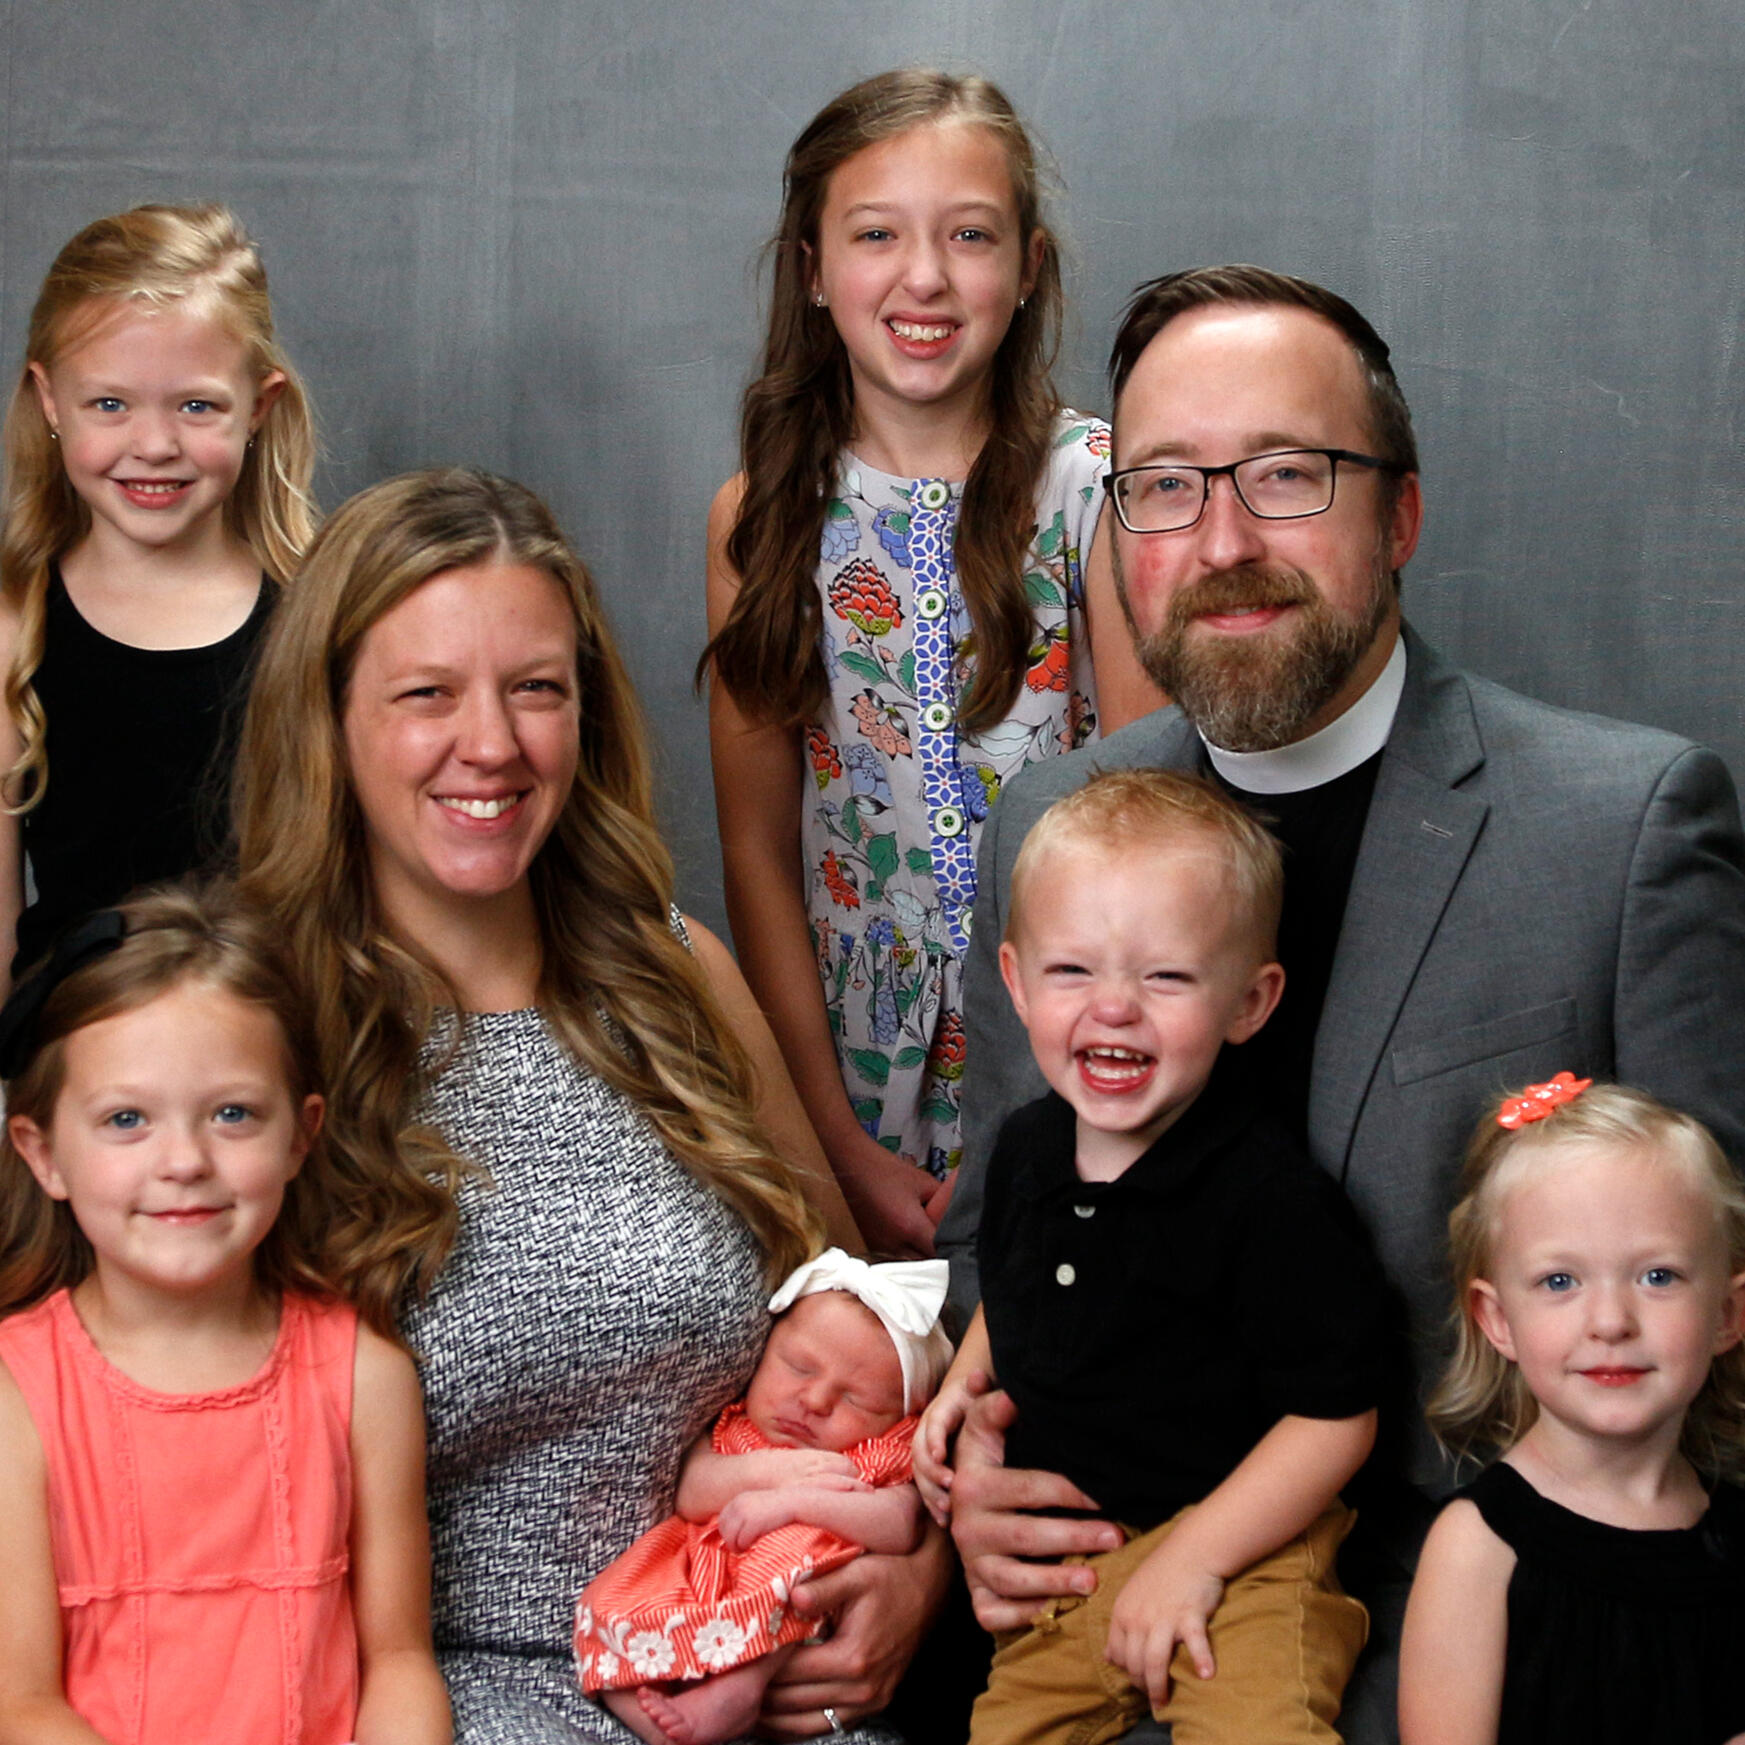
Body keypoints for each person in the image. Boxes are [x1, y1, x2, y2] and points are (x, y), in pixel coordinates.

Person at [935, 265, 1745, 1739]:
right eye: (1163, 487)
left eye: (1287, 476)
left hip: (1494, 1635)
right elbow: (1000, 1226)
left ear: (1401, 516)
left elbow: (1723, 1301)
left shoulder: (1621, 826)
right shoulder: (1052, 826)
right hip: (1098, 1608)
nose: (1222, 540)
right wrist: (988, 1473)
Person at [233, 466, 943, 1744]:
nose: (492, 743)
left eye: (535, 688)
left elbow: (870, 1321)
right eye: (426, 694)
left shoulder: (676, 973)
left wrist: (913, 1567)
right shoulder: (254, 1036)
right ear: (327, 718)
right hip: (456, 1702)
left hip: (776, 1683)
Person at [702, 67, 1156, 1258]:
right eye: (874, 235)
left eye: (968, 235)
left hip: (1074, 1046)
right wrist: (831, 1142)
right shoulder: (761, 520)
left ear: (1027, 269)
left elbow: (1155, 820)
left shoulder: (1096, 493)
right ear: (811, 268)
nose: (924, 277)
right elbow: (754, 848)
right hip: (848, 1066)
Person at [917, 772, 1384, 1743]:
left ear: (1248, 1001)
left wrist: (1197, 1558)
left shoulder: (1266, 1196)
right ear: (1012, 980)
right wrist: (963, 1387)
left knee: (1258, 1727)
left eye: (1165, 977)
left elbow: (1336, 1414)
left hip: (1247, 1551)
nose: (1115, 1007)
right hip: (1069, 1564)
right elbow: (1016, 1290)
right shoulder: (1024, 1151)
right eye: (1071, 971)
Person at [0, 886, 450, 1745]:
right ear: (44, 1153)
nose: (185, 1161)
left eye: (232, 1113)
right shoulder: (15, 1396)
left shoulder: (363, 1374)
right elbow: (19, 1703)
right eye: (126, 1119)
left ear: (300, 1134)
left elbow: (397, 1660)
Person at [0, 204, 316, 990]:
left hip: (273, 1040)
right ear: (48, 401)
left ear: (260, 407)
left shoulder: (320, 612)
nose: (154, 444)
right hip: (76, 1049)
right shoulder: (13, 620)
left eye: (196, 405)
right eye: (110, 404)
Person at [1399, 1076, 1745, 1745]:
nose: (1610, 1320)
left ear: (1727, 1314)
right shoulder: (1477, 1548)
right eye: (1559, 1281)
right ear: (1497, 1320)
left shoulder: (1735, 1536)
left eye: (1657, 1275)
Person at [578, 1250, 951, 1745]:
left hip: (795, 1603)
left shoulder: (877, 1453)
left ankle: (738, 1690)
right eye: (798, 1368)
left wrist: (793, 1505)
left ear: (902, 1419)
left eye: (856, 1399)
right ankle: (642, 1706)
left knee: (795, 1569)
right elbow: (690, 1493)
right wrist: (769, 1473)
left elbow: (900, 1524)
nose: (815, 1401)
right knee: (606, 1601)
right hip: (701, 1574)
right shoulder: (737, 1426)